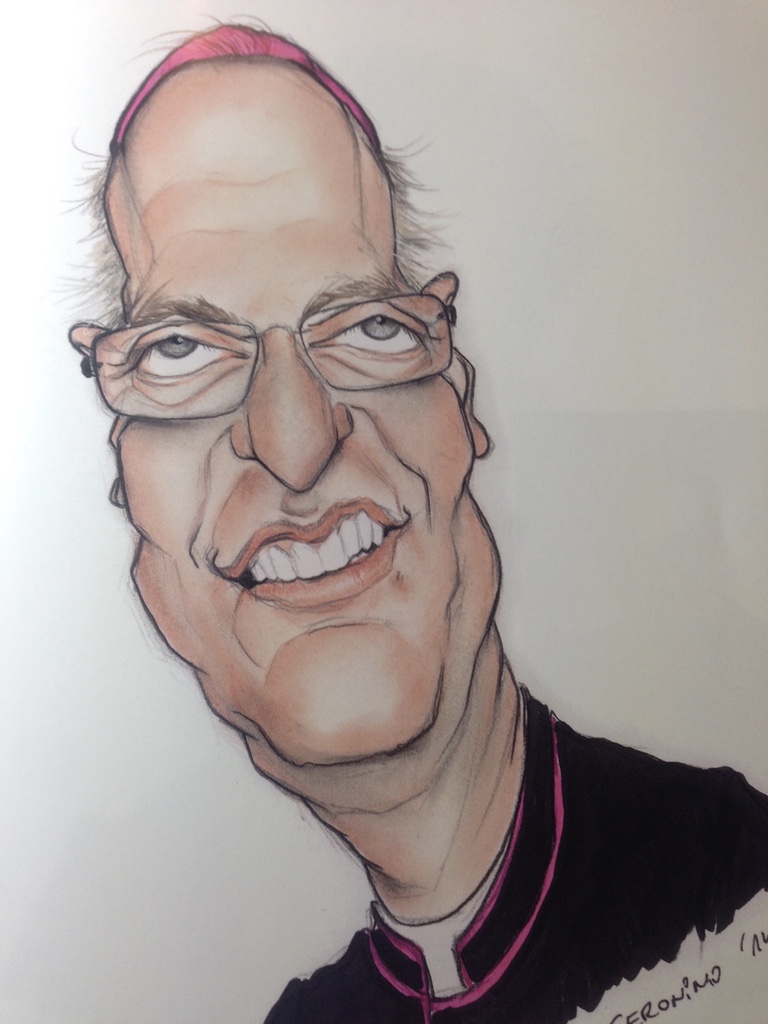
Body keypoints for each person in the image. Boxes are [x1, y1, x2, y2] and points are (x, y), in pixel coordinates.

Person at [70, 25, 768, 1023]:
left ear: (461, 412)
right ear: (131, 504)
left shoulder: (734, 883)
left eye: (370, 327)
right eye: (178, 350)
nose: (296, 446)